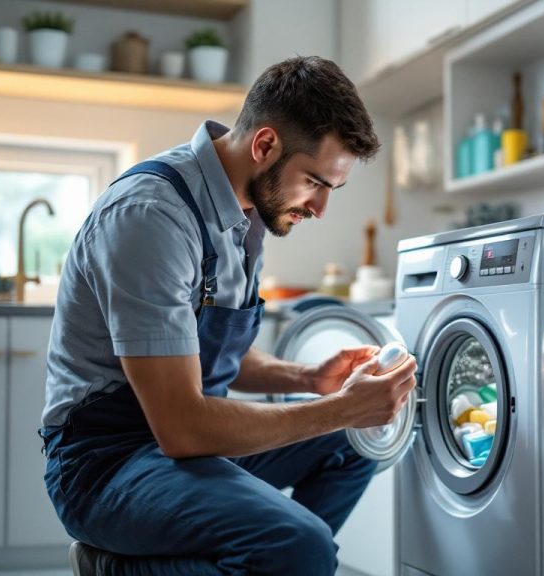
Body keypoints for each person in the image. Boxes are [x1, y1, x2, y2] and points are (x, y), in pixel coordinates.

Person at [39, 55, 417, 576]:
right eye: (314, 182)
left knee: (352, 447)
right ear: (264, 145)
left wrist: (309, 379)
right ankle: (117, 566)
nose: (320, 208)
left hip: (182, 447)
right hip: (107, 462)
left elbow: (206, 352)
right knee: (301, 543)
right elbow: (182, 426)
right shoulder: (152, 216)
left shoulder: (245, 216)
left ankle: (259, 559)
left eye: (332, 188)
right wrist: (343, 408)